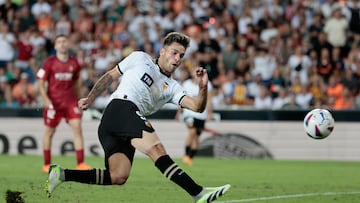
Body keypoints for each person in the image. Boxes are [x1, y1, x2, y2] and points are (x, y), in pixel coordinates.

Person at [45, 32, 230, 203]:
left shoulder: (172, 87)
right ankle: (198, 193)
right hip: (120, 109)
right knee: (156, 149)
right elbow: (110, 76)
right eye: (174, 53)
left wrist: (203, 87)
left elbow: (198, 106)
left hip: (119, 122)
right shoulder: (140, 58)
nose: (177, 59)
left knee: (118, 176)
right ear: (163, 51)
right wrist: (91, 97)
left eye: (181, 56)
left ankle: (61, 174)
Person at [37, 34, 91, 173]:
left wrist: (79, 100)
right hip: (54, 103)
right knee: (49, 132)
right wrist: (46, 100)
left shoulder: (74, 63)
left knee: (77, 128)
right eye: (59, 42)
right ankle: (46, 164)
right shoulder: (49, 62)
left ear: (68, 44)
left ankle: (80, 163)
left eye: (64, 41)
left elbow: (76, 84)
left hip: (70, 102)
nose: (62, 44)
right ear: (55, 46)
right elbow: (41, 83)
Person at [176, 68, 213, 166]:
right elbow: (181, 98)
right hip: (189, 113)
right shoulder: (187, 84)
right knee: (192, 132)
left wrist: (210, 112)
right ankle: (186, 155)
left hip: (201, 115)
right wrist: (179, 112)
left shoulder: (207, 83)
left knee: (196, 138)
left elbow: (209, 99)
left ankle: (190, 157)